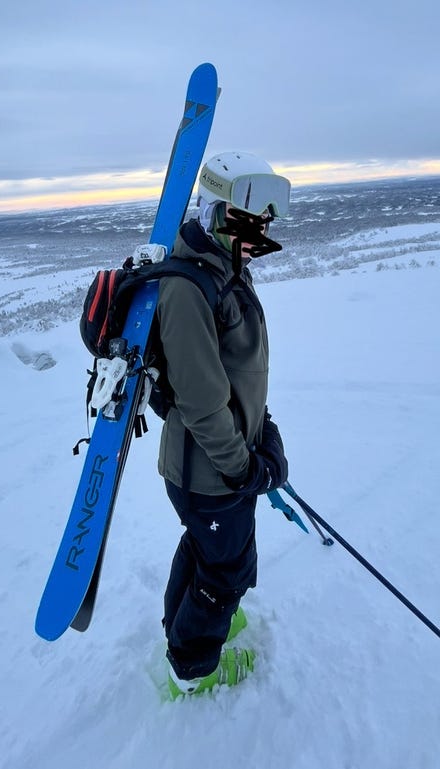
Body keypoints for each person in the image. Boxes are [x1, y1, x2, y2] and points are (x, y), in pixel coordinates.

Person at [156, 151, 291, 698]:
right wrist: (243, 469)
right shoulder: (190, 287)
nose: (262, 231)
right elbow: (203, 402)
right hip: (209, 471)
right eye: (251, 218)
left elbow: (239, 377)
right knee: (225, 571)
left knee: (210, 550)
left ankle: (183, 628)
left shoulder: (225, 268)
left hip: (222, 462)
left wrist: (266, 434)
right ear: (216, 213)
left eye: (266, 219)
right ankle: (191, 668)